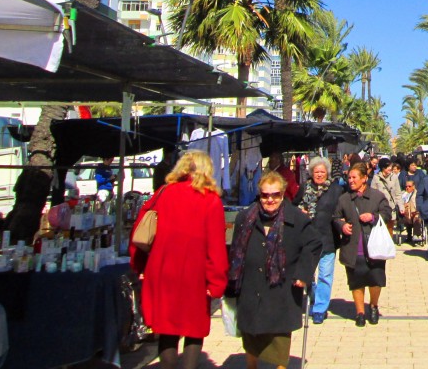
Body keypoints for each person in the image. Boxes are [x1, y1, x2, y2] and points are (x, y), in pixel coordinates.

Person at [130, 151, 228, 369]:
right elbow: (216, 248)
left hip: (162, 271)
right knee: (194, 330)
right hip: (194, 276)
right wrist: (217, 282)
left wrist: (139, 266)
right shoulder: (210, 201)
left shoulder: (163, 193)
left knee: (167, 329)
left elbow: (139, 232)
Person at [227, 170, 320, 369]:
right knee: (251, 339)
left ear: (283, 194)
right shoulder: (245, 217)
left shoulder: (297, 218)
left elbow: (313, 244)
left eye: (275, 195)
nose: (270, 200)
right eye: (265, 195)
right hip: (251, 288)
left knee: (279, 342)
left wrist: (303, 274)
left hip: (282, 290)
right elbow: (234, 249)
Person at [334, 162, 393, 326]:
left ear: (364, 179)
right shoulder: (344, 199)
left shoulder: (377, 196)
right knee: (356, 281)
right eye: (349, 177)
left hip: (374, 247)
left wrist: (373, 217)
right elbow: (335, 217)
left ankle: (373, 305)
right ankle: (359, 312)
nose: (350, 180)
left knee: (375, 280)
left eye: (354, 177)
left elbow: (387, 212)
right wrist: (342, 225)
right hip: (353, 248)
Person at [298, 156, 345, 324]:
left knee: (325, 275)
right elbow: (293, 205)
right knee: (308, 274)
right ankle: (313, 296)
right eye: (316, 172)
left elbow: (342, 210)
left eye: (322, 172)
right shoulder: (304, 188)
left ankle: (320, 308)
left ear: (327, 173)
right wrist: (299, 212)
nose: (319, 175)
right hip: (307, 240)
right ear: (311, 172)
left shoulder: (336, 190)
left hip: (328, 239)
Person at [370, 157, 404, 222]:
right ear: (383, 167)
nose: (390, 168)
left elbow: (398, 193)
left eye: (390, 166)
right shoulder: (376, 177)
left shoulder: (394, 177)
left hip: (391, 208)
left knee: (390, 229)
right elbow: (372, 194)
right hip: (380, 208)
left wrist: (401, 206)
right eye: (388, 166)